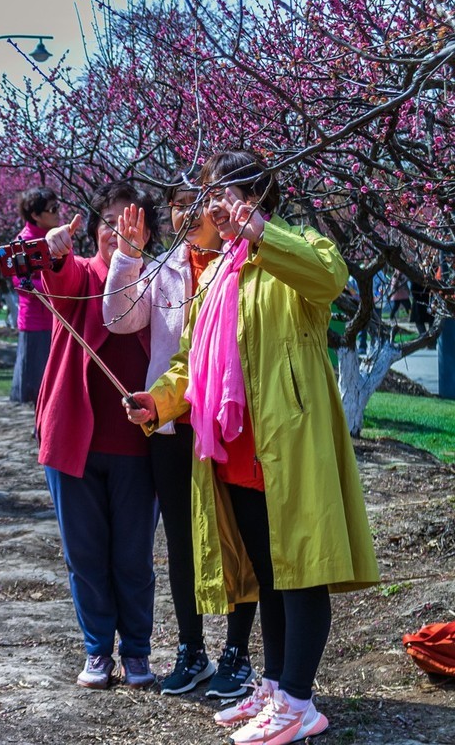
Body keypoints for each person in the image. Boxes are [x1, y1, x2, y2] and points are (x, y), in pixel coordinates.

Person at [125, 150, 379, 743]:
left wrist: (264, 233)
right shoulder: (215, 272)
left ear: (257, 197)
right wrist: (157, 402)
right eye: (210, 196)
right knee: (269, 572)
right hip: (233, 449)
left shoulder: (296, 251)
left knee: (301, 571)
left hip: (287, 444)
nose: (213, 207)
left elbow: (331, 279)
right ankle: (274, 684)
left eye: (223, 195)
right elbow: (191, 362)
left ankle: (299, 701)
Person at [103, 169, 258, 698]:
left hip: (227, 426)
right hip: (171, 426)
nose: (187, 214)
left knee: (239, 535)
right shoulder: (162, 269)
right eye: (177, 205)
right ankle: (193, 648)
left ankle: (238, 649)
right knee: (180, 541)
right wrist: (127, 254)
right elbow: (118, 319)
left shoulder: (242, 266)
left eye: (198, 203)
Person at [34, 179, 161, 690]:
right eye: (109, 221)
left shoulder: (159, 282)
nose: (118, 231)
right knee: (84, 554)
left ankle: (136, 651)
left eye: (131, 221)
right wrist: (54, 251)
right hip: (74, 439)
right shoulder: (81, 272)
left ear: (149, 232)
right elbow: (56, 279)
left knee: (132, 556)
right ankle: (96, 650)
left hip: (137, 441)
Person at [9, 187, 59, 405]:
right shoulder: (22, 243)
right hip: (37, 322)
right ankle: (40, 426)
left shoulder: (54, 238)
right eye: (53, 209)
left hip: (58, 318)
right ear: (36, 216)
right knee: (38, 382)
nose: (58, 213)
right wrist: (55, 285)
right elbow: (20, 282)